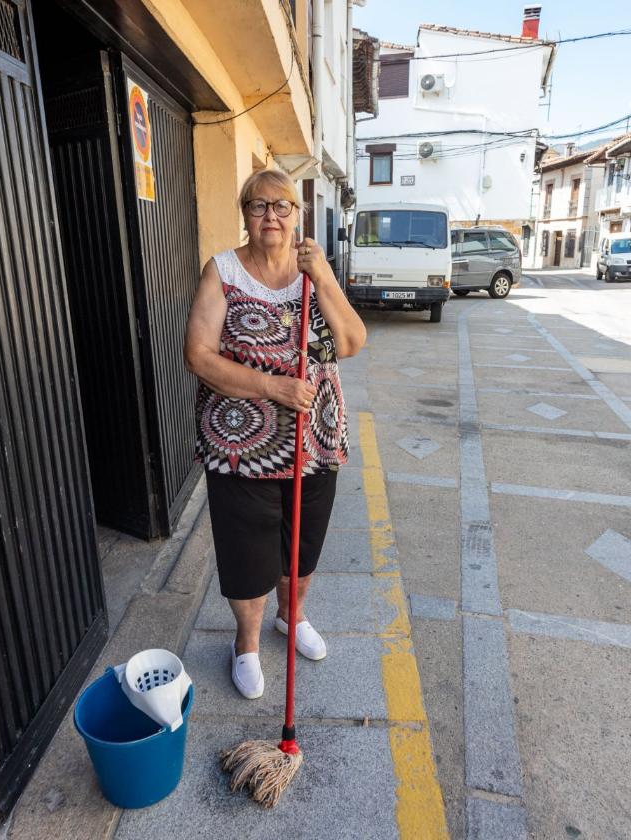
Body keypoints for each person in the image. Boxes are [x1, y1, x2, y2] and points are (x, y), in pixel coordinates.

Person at [183, 169, 367, 699]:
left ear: (297, 215)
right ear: (245, 214)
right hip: (242, 445)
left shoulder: (315, 273)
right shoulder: (222, 271)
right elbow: (198, 355)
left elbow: (352, 341)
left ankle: (292, 618)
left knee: (302, 547)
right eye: (260, 206)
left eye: (283, 206)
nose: (272, 216)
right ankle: (245, 643)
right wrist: (271, 387)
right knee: (247, 552)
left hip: (315, 441)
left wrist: (325, 277)